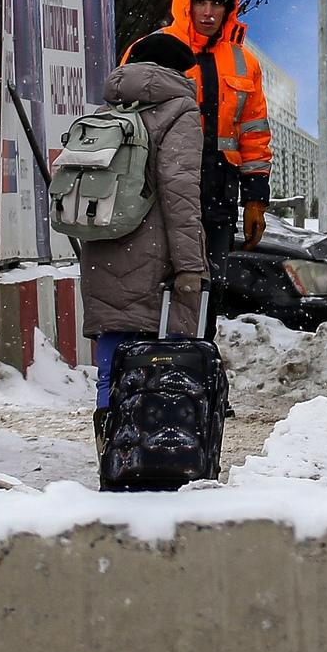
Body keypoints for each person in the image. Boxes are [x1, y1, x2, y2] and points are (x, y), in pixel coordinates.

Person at [76, 32, 208, 442]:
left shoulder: (106, 109)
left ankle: (111, 452)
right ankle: (157, 455)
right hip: (156, 255)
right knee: (162, 368)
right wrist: (190, 265)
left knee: (112, 365)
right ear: (178, 71)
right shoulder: (179, 112)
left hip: (102, 247)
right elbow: (180, 193)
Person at [157, 0, 272, 256]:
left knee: (213, 286)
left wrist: (255, 200)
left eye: (218, 3)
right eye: (201, 1)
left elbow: (254, 137)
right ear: (186, 2)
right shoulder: (154, 50)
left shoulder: (244, 63)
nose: (208, 13)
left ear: (228, 7)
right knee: (170, 290)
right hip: (162, 197)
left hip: (220, 198)